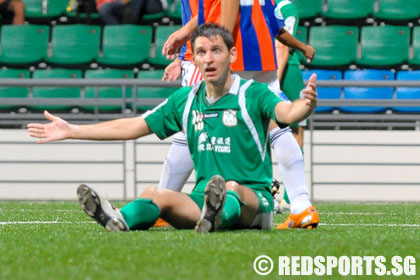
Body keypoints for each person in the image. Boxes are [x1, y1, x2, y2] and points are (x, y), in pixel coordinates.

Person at [27, 23, 318, 232]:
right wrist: (72, 130)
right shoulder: (185, 100)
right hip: (205, 199)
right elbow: (134, 125)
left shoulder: (252, 93)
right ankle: (117, 218)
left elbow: (287, 112)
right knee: (156, 194)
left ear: (232, 55)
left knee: (232, 188)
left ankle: (215, 215)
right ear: (193, 58)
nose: (208, 58)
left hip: (256, 202)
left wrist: (305, 104)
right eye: (201, 52)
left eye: (216, 50)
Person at [160, 0, 319, 229]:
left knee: (195, 121)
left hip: (237, 51)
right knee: (278, 126)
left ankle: (164, 202)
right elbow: (273, 23)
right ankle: (301, 205)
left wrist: (217, 50)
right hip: (261, 51)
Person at [275, 0, 306, 150]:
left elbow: (282, 45)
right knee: (295, 131)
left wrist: (276, 82)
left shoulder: (284, 7)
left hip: (286, 71)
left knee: (295, 129)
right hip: (269, 68)